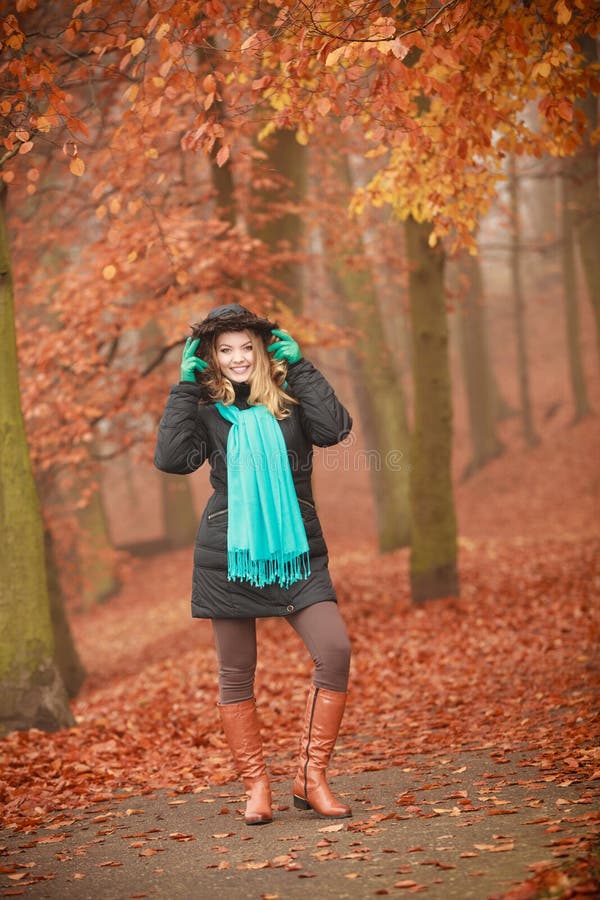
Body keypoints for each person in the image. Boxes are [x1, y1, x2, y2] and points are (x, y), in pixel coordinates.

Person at [154, 303, 353, 825]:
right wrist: (182, 390)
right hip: (230, 554)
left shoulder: (290, 401)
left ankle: (311, 777)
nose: (239, 358)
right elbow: (173, 460)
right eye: (226, 350)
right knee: (237, 674)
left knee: (334, 650)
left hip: (295, 551)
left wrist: (304, 366)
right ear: (211, 358)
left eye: (248, 347)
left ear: (265, 350)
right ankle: (256, 786)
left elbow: (335, 430)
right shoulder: (203, 407)